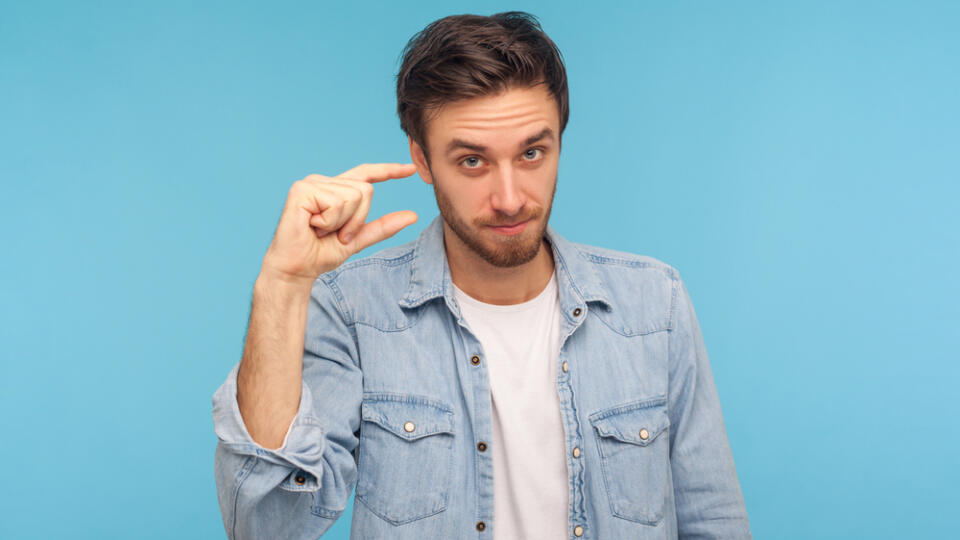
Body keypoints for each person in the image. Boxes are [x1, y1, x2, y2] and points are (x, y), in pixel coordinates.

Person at [212, 11, 751, 540]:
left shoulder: (655, 303)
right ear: (422, 161)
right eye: (472, 161)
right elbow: (264, 527)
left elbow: (713, 520)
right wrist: (282, 284)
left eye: (533, 153)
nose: (511, 198)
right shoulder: (350, 312)